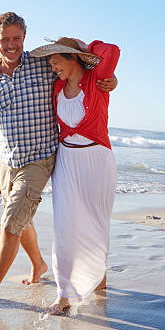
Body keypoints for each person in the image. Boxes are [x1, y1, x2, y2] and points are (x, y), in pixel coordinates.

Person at [0, 12, 117, 308]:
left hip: (40, 157)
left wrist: (111, 80)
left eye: (17, 38)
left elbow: (79, 70)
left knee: (11, 221)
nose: (12, 45)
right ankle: (39, 265)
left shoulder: (42, 66)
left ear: (24, 38)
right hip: (8, 159)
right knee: (22, 220)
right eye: (5, 39)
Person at [29, 37, 120, 315]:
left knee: (96, 223)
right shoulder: (56, 85)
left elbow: (112, 51)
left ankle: (98, 274)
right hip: (66, 160)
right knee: (65, 226)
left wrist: (84, 47)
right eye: (51, 60)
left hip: (97, 161)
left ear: (72, 58)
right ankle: (65, 293)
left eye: (57, 58)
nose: (52, 64)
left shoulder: (98, 79)